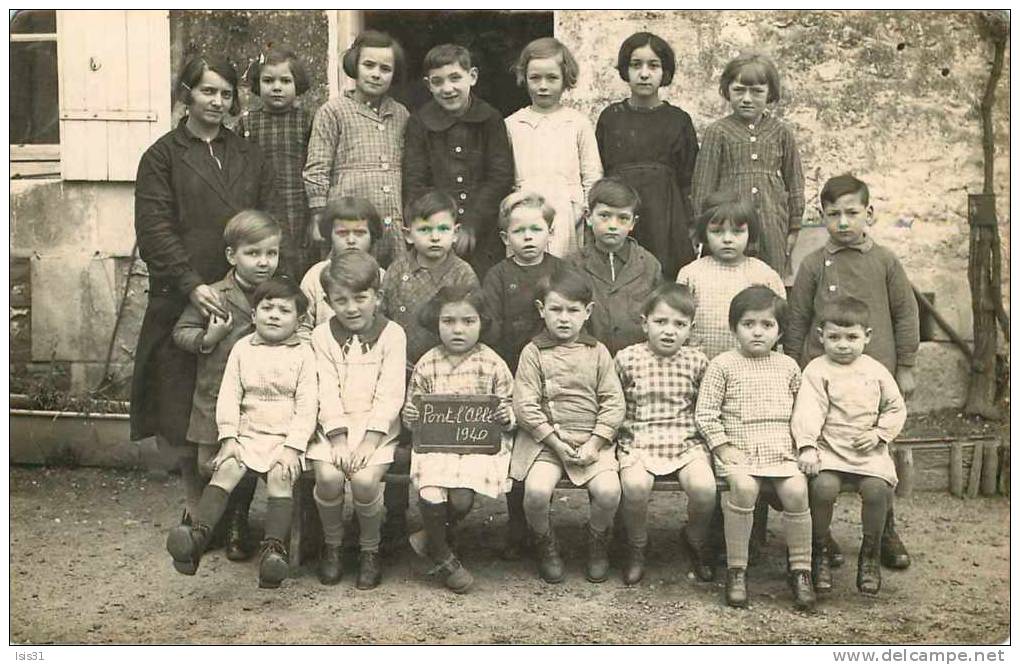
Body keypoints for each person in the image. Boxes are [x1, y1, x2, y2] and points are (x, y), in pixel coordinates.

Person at [132, 54, 275, 540]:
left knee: (246, 404)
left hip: (244, 294)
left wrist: (262, 283)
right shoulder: (162, 156)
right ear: (186, 94)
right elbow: (155, 228)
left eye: (225, 94)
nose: (217, 102)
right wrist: (193, 283)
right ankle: (196, 511)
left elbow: (268, 217)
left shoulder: (249, 154)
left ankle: (235, 513)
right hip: (186, 296)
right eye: (207, 91)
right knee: (187, 407)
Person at [785, 173, 919, 571]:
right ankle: (820, 537)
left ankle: (884, 532)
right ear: (822, 217)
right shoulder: (813, 265)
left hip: (876, 377)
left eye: (852, 213)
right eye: (833, 214)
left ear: (870, 213)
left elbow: (906, 313)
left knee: (879, 456)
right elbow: (797, 319)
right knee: (819, 456)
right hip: (824, 378)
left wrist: (907, 367)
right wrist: (796, 367)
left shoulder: (885, 261)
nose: (843, 222)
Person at [166, 278, 316, 589]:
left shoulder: (304, 354)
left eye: (284, 310)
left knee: (280, 476)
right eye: (267, 308)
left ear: (298, 320)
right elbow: (230, 396)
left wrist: (293, 447)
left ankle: (274, 551)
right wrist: (230, 439)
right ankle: (197, 536)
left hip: (285, 437)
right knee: (227, 468)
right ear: (253, 314)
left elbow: (307, 405)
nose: (274, 315)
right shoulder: (242, 349)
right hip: (248, 432)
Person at [694, 286, 815, 611]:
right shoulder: (722, 365)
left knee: (796, 491)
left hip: (780, 449)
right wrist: (721, 446)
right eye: (749, 324)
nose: (758, 332)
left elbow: (803, 412)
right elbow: (705, 412)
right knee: (744, 488)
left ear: (779, 331)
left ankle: (801, 570)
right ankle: (737, 569)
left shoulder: (788, 366)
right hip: (739, 449)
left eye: (767, 325)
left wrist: (805, 446)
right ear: (734, 328)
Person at [171, 210, 282, 560]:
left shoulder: (279, 295)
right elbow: (180, 332)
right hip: (216, 398)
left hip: (260, 402)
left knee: (246, 462)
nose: (264, 262)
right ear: (232, 256)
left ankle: (237, 525)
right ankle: (211, 525)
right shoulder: (214, 295)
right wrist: (209, 337)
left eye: (272, 253)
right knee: (212, 464)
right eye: (253, 253)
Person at [510, 267, 625, 584]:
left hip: (591, 442)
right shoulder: (533, 352)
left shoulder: (598, 352)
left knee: (609, 491)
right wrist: (556, 443)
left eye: (573, 311)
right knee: (535, 492)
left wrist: (594, 443)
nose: (564, 318)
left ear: (587, 312)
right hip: (546, 444)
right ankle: (545, 544)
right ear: (541, 310)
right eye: (556, 310)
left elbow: (613, 402)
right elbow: (525, 406)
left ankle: (598, 542)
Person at [403, 287, 516, 593]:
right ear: (436, 323)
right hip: (437, 445)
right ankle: (443, 556)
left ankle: (429, 536)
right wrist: (411, 415)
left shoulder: (492, 363)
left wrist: (507, 416)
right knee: (431, 482)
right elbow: (412, 409)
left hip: (477, 447)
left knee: (463, 497)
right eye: (448, 321)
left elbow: (508, 404)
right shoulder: (428, 363)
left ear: (482, 323)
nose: (457, 329)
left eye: (468, 321)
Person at [792, 296, 907, 595]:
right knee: (822, 488)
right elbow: (808, 410)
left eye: (852, 337)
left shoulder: (876, 371)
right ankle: (819, 551)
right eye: (834, 337)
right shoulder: (816, 371)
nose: (843, 345)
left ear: (867, 337)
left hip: (868, 451)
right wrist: (807, 446)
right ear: (821, 336)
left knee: (876, 489)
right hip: (830, 449)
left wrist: (880, 434)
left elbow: (896, 408)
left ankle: (869, 553)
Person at [307, 251, 406, 589]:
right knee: (328, 475)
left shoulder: (393, 335)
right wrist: (336, 438)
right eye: (341, 300)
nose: (351, 308)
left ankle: (369, 549)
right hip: (334, 425)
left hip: (377, 429)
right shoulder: (321, 337)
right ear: (328, 301)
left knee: (364, 480)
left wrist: (369, 440)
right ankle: (333, 545)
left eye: (361, 298)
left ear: (377, 296)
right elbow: (325, 390)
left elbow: (391, 392)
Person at [481, 192, 565, 558]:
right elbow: (491, 323)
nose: (528, 237)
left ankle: (542, 523)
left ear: (550, 232)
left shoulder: (561, 271)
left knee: (545, 444)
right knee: (517, 446)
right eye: (519, 231)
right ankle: (517, 524)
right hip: (512, 365)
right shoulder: (498, 275)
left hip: (553, 370)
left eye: (536, 229)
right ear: (505, 239)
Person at [615, 283, 716, 585]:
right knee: (634, 486)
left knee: (704, 489)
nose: (669, 331)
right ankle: (637, 545)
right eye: (661, 322)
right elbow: (614, 403)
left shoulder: (697, 360)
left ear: (691, 328)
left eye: (679, 324)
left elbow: (705, 406)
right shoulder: (627, 358)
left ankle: (695, 539)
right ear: (645, 323)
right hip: (639, 438)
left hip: (685, 440)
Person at [402, 43, 514, 277]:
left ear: (472, 77)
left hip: (483, 231)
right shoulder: (419, 122)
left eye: (455, 78)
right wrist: (438, 227)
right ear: (427, 85)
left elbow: (499, 177)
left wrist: (472, 224)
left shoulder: (491, 119)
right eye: (438, 81)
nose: (448, 88)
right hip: (436, 233)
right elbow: (415, 179)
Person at [692, 53, 804, 282]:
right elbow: (703, 184)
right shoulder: (718, 132)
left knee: (769, 280)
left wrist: (793, 228)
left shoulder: (781, 132)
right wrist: (703, 226)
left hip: (772, 223)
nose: (747, 98)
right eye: (739, 90)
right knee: (728, 279)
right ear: (727, 91)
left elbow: (795, 181)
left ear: (770, 93)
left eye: (756, 91)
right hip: (729, 226)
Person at [596, 32, 698, 279]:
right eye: (635, 65)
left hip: (667, 218)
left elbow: (689, 179)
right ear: (625, 70)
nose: (644, 73)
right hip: (620, 213)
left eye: (653, 66)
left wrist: (692, 226)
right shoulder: (611, 117)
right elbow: (600, 170)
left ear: (665, 72)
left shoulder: (679, 120)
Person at [304, 30, 410, 268]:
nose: (376, 74)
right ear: (355, 65)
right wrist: (318, 214)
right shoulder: (333, 111)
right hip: (349, 223)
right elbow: (317, 166)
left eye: (385, 69)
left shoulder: (401, 114)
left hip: (390, 221)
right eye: (369, 65)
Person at [505, 37, 602, 257]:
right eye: (535, 78)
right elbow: (505, 175)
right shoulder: (512, 124)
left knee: (563, 276)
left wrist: (582, 211)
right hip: (524, 212)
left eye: (552, 78)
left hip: (568, 214)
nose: (543, 86)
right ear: (524, 78)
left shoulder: (578, 122)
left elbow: (592, 174)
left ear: (565, 79)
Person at [676, 189, 785, 360]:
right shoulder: (691, 274)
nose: (727, 239)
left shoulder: (765, 275)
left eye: (737, 231)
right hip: (701, 363)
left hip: (751, 365)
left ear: (750, 232)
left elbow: (780, 324)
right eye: (717, 231)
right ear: (705, 232)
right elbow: (678, 320)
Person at [239, 48, 314, 277]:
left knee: (300, 258)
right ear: (257, 84)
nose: (277, 87)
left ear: (297, 84)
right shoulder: (248, 124)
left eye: (285, 80)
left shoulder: (308, 121)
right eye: (268, 81)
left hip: (298, 202)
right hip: (260, 202)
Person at [383, 191, 481, 367]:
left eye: (443, 229)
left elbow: (471, 322)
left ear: (455, 232)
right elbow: (382, 315)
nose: (435, 237)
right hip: (399, 362)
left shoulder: (462, 274)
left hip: (448, 363)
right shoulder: (397, 270)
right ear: (408, 235)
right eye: (425, 229)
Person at [567, 178, 662, 355]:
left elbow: (658, 317)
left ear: (633, 222)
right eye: (604, 215)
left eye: (623, 218)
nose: (612, 225)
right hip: (588, 358)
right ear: (588, 217)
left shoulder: (649, 264)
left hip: (637, 361)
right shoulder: (573, 265)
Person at [299, 196, 386, 335]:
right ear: (330, 235)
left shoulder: (382, 276)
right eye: (342, 233)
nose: (351, 240)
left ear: (372, 235)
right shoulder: (314, 276)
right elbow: (302, 327)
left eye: (360, 233)